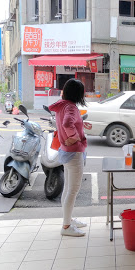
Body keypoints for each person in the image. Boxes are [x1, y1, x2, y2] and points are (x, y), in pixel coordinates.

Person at [49, 79, 88, 237]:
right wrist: (75, 137)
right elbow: (67, 123)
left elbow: (67, 122)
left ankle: (68, 219)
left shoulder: (62, 105)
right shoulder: (71, 107)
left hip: (65, 150)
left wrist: (82, 126)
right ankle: (66, 226)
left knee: (68, 189)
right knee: (73, 190)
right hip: (73, 152)